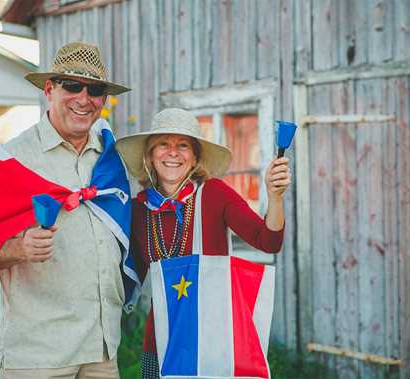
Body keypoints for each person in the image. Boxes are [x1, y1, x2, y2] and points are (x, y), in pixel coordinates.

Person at [0, 42, 133, 379]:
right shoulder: (10, 161)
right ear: (49, 90)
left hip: (102, 348)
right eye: (72, 86)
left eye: (95, 89)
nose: (84, 99)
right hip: (38, 353)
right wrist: (19, 247)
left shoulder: (109, 158)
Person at [115, 108, 291, 378]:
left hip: (212, 339)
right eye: (163, 143)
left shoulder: (215, 194)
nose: (173, 152)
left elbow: (268, 241)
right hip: (161, 340)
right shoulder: (139, 209)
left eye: (183, 145)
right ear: (150, 155)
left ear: (195, 157)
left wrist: (274, 197)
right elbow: (130, 276)